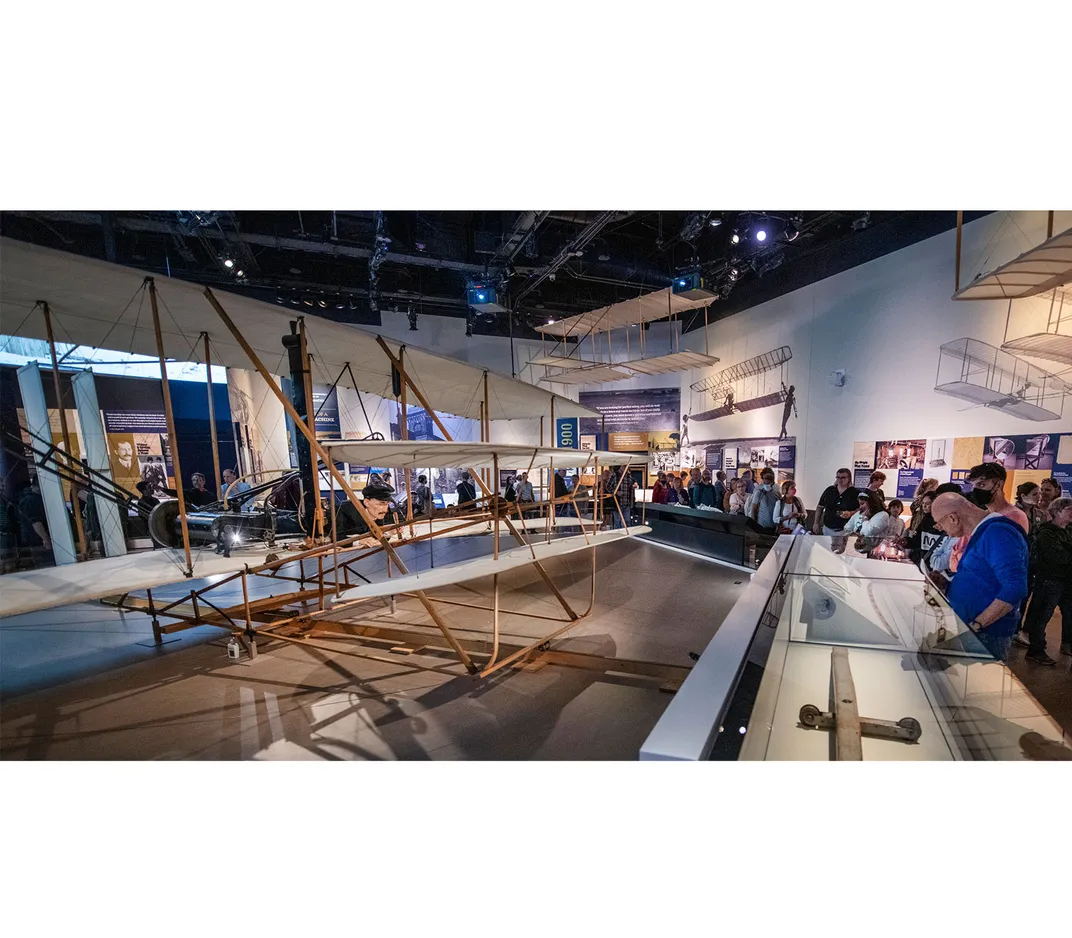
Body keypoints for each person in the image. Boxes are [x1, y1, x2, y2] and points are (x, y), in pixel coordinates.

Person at [931, 492, 1029, 661]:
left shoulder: (997, 532)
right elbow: (983, 579)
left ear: (953, 518)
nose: (944, 532)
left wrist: (977, 625)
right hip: (975, 631)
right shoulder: (984, 532)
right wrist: (947, 584)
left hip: (986, 636)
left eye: (940, 524)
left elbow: (1015, 587)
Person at [1017, 497, 1072, 665]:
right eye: (1069, 509)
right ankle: (1036, 650)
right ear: (1056, 512)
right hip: (1049, 581)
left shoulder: (1067, 531)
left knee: (1069, 614)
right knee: (1040, 616)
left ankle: (1067, 643)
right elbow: (1057, 557)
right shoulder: (1046, 533)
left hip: (1065, 581)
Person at [965, 462, 1029, 534]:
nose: (975, 491)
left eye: (982, 485)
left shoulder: (1015, 516)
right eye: (973, 486)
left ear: (999, 485)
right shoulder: (985, 515)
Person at [334, 481, 395, 545]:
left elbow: (379, 535)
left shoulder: (385, 512)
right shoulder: (345, 511)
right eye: (381, 504)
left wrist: (390, 532)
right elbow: (337, 538)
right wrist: (359, 541)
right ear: (367, 503)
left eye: (387, 503)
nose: (385, 509)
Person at [813, 468, 859, 536]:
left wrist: (850, 513)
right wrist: (816, 523)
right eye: (838, 477)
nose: (840, 480)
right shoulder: (830, 490)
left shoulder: (855, 493)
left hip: (845, 530)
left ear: (849, 478)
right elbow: (820, 507)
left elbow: (861, 510)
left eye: (843, 477)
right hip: (827, 529)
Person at [905, 491, 941, 563]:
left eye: (927, 504)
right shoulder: (925, 519)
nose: (924, 506)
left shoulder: (942, 521)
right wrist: (905, 541)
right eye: (923, 503)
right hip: (924, 558)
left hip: (936, 560)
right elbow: (918, 540)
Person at [746, 468, 780, 536]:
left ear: (772, 483)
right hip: (761, 524)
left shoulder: (777, 494)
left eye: (768, 483)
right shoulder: (758, 493)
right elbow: (754, 509)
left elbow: (779, 508)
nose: (766, 485)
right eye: (765, 483)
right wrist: (754, 524)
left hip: (774, 525)